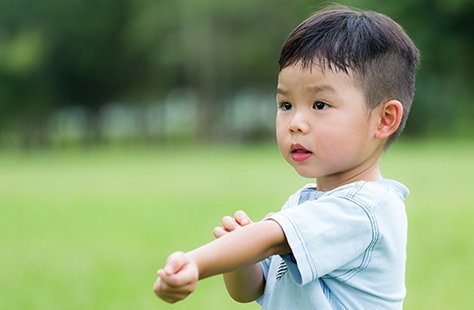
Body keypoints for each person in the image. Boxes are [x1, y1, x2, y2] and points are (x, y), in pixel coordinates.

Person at [153, 5, 420, 309]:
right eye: (285, 104)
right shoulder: (306, 201)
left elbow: (269, 239)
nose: (295, 123)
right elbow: (252, 289)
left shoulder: (366, 209)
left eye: (320, 105)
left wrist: (194, 262)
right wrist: (242, 257)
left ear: (384, 119)